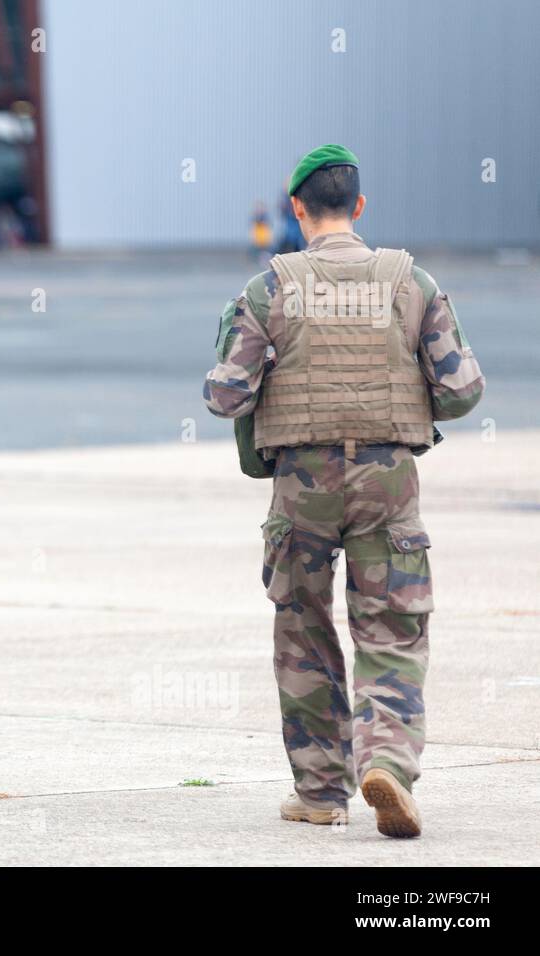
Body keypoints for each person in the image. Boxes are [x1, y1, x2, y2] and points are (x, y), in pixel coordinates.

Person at [203, 145, 485, 838]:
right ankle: (386, 761)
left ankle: (320, 792)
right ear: (359, 206)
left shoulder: (269, 288)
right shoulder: (409, 280)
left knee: (303, 631)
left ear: (297, 209)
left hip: (302, 488)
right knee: (391, 630)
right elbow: (462, 391)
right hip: (388, 484)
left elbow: (224, 395)